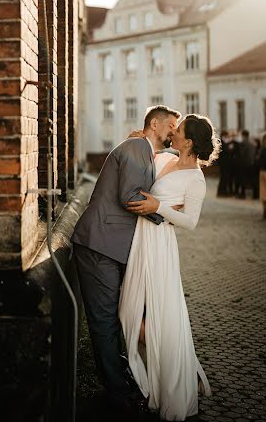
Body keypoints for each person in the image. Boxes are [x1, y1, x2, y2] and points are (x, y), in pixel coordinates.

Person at [71, 105, 180, 412]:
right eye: (171, 125)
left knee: (121, 316)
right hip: (99, 245)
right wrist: (167, 214)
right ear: (155, 124)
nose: (174, 131)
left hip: (115, 247)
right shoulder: (135, 147)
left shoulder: (143, 150)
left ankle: (122, 380)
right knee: (104, 321)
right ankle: (117, 393)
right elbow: (131, 197)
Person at [120, 114, 220, 421]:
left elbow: (190, 221)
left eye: (179, 130)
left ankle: (168, 376)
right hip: (139, 239)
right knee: (126, 311)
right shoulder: (163, 157)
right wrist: (135, 139)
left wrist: (159, 207)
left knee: (159, 315)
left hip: (160, 245)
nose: (172, 131)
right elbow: (134, 166)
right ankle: (150, 372)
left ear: (188, 142)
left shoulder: (196, 180)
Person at [237, 130, 255, 199]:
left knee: (243, 180)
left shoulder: (243, 143)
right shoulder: (252, 144)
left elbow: (241, 154)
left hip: (244, 164)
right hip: (251, 164)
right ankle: (254, 195)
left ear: (243, 135)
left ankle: (242, 194)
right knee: (251, 180)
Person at [259, 134, 266, 219]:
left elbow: (259, 161)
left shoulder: (262, 150)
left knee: (264, 193)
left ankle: (265, 212)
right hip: (263, 171)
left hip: (263, 172)